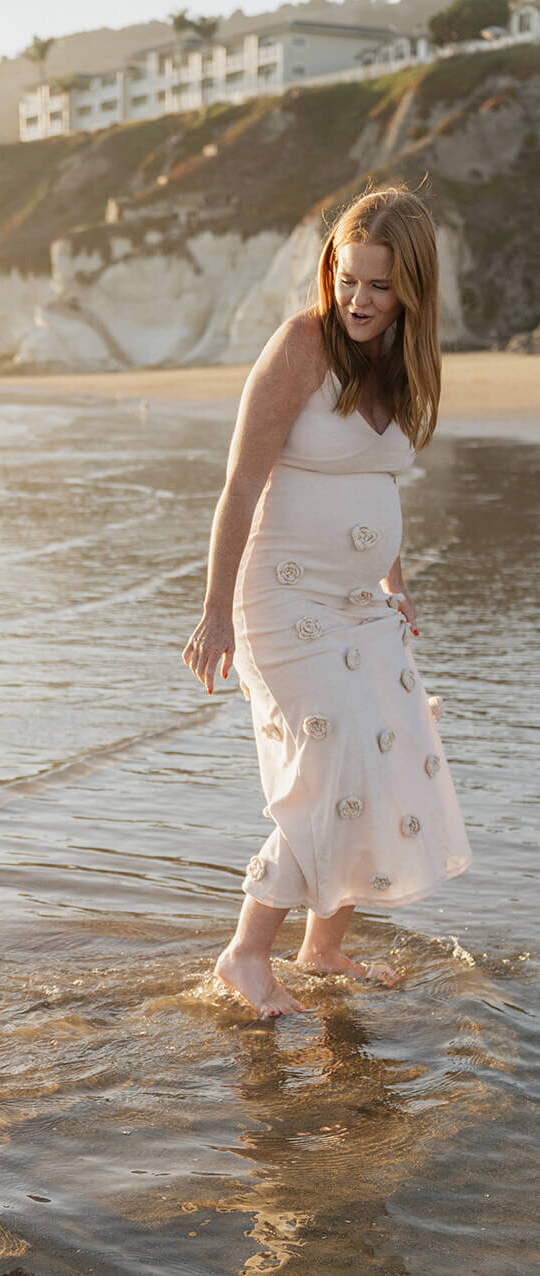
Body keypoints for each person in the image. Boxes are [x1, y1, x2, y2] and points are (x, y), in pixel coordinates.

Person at [182, 185, 470, 1019]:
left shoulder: (401, 363)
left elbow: (373, 485)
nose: (358, 300)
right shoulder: (303, 344)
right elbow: (239, 483)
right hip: (281, 600)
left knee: (378, 758)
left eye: (379, 286)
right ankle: (245, 954)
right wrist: (212, 610)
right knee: (329, 764)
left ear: (411, 289)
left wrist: (394, 582)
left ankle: (322, 945)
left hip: (357, 602)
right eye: (348, 280)